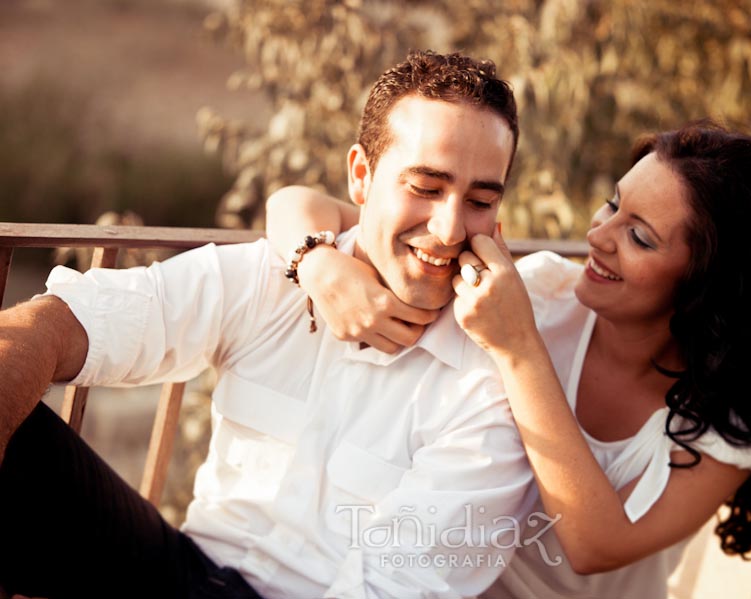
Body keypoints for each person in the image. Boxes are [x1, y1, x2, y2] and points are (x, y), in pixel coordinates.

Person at [0, 50, 536, 599]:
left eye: (479, 200)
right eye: (425, 187)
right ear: (361, 175)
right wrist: (313, 261)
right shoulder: (276, 272)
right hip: (178, 570)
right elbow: (67, 323)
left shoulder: (488, 389)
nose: (449, 229)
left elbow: (392, 589)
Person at [264, 121, 751, 598]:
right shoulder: (541, 292)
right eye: (612, 205)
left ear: (709, 283)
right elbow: (299, 204)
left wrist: (519, 347)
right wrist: (315, 263)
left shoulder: (729, 428)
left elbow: (596, 545)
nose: (598, 236)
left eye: (640, 238)